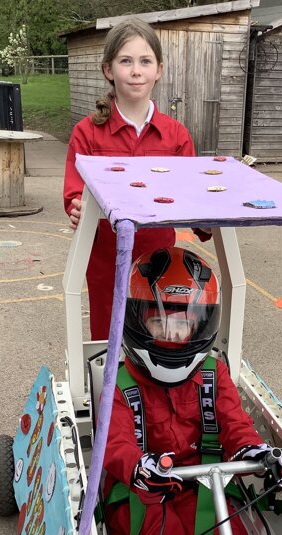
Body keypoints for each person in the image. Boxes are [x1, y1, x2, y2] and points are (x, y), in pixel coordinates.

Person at [102, 247, 282, 535]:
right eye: (159, 323)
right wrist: (138, 467)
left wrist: (256, 451)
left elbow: (236, 424)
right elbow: (115, 442)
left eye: (182, 325)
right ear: (136, 320)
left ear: (200, 326)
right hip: (142, 489)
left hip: (206, 482)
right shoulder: (119, 383)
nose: (172, 334)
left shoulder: (213, 374)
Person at [64, 18, 209, 340]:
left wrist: (208, 221)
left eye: (145, 61)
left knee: (158, 339)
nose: (136, 71)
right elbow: (74, 193)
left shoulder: (176, 135)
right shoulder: (86, 133)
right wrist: (76, 208)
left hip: (160, 262)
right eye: (125, 61)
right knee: (108, 340)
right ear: (108, 70)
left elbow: (193, 197)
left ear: (159, 70)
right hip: (104, 260)